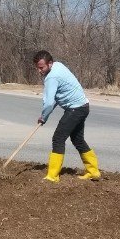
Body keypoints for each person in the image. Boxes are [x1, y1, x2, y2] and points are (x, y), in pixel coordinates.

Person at [33, 50, 99, 182]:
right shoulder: (58, 65)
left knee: (58, 138)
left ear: (50, 63)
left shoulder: (52, 77)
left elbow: (49, 102)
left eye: (42, 67)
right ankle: (93, 172)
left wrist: (43, 117)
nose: (39, 71)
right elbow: (57, 96)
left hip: (75, 109)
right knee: (78, 140)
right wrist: (46, 115)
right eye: (37, 68)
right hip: (83, 107)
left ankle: (52, 176)